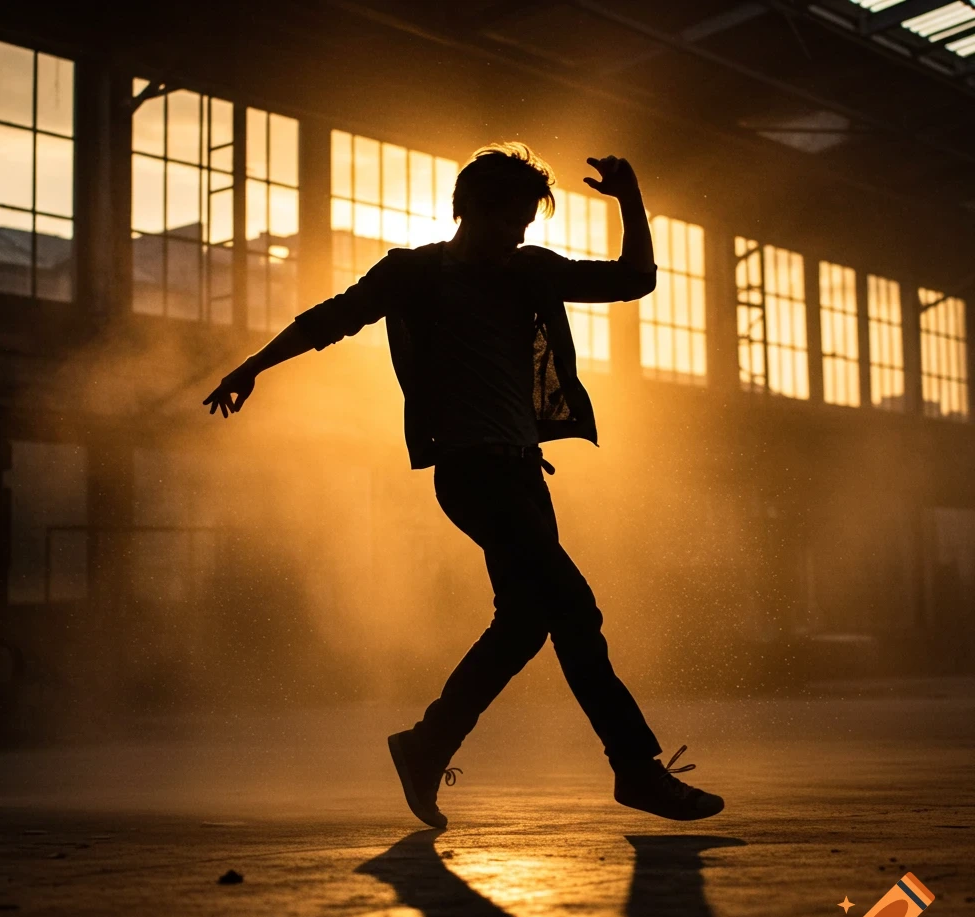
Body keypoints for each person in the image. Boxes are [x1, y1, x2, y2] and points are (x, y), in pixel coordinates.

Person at [204, 143, 724, 828]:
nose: (520, 233)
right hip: (472, 473)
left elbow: (636, 280)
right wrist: (254, 365)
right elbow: (333, 317)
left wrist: (630, 198)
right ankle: (635, 768)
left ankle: (426, 747)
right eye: (512, 218)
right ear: (469, 209)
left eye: (527, 223)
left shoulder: (529, 272)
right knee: (572, 608)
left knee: (522, 625)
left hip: (522, 473)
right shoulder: (415, 273)